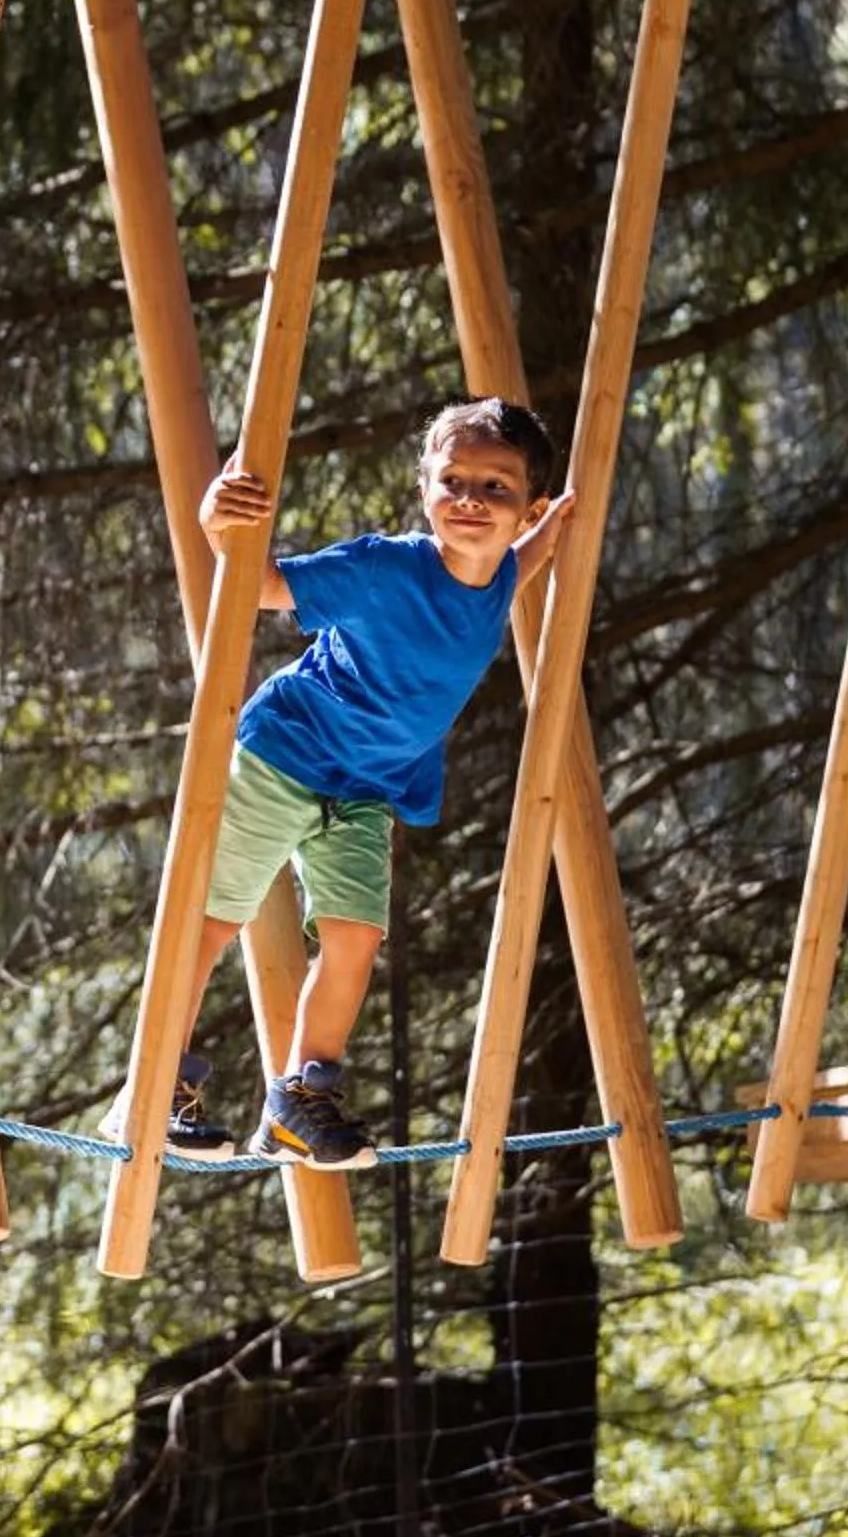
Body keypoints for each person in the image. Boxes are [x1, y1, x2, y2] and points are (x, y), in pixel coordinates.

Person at [112, 397, 575, 1172]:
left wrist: (551, 533)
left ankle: (300, 1103)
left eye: (495, 489)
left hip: (369, 788)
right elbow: (258, 587)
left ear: (524, 509)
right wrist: (213, 523)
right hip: (286, 754)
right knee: (215, 918)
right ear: (424, 485)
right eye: (453, 480)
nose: (470, 501)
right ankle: (154, 1086)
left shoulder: (500, 575)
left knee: (356, 938)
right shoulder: (383, 568)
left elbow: (523, 564)